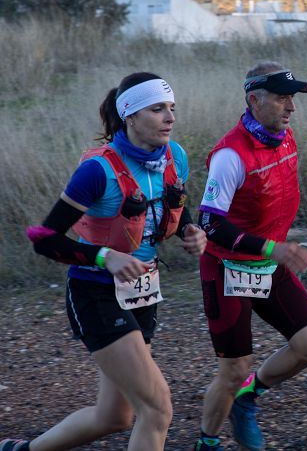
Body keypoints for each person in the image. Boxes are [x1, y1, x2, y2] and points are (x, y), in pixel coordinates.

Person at [1, 72, 206, 451]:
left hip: (141, 293)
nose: (170, 118)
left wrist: (191, 230)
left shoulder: (175, 156)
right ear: (129, 115)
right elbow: (44, 240)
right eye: (157, 109)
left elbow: (171, 203)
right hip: (95, 294)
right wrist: (103, 256)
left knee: (114, 416)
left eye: (172, 108)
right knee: (157, 409)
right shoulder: (98, 171)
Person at [193, 62, 307, 451]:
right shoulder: (230, 155)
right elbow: (210, 224)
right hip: (227, 268)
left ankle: (247, 400)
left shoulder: (285, 137)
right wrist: (274, 248)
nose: (291, 107)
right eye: (283, 98)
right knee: (233, 370)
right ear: (254, 99)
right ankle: (208, 441)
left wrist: (275, 250)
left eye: (293, 98)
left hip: (270, 264)